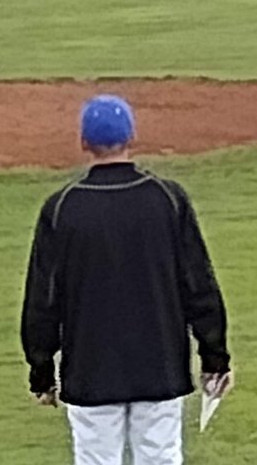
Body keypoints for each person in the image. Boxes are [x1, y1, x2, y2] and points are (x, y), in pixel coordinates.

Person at [21, 95, 232, 465]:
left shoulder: (63, 208)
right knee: (161, 457)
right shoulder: (167, 199)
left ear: (84, 142)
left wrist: (42, 370)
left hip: (89, 370)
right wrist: (215, 357)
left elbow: (43, 299)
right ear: (131, 136)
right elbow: (198, 286)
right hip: (160, 366)